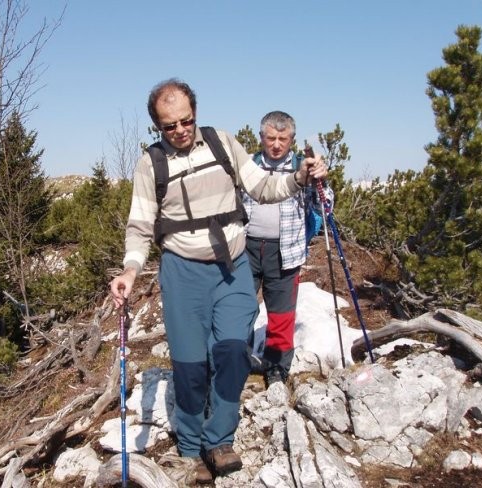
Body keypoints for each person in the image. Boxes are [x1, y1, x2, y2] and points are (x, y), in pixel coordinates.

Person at [109, 80, 327, 483]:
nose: (180, 130)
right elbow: (139, 225)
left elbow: (263, 186)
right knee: (190, 364)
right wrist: (130, 270)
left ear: (196, 112)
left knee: (230, 351)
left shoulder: (222, 143)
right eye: (169, 125)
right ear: (157, 125)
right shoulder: (151, 163)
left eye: (186, 120)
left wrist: (297, 177)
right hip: (182, 272)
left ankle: (219, 440)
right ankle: (190, 449)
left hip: (232, 267)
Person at [243, 110, 332, 387]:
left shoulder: (302, 167)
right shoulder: (248, 166)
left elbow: (325, 207)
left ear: (292, 139)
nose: (276, 144)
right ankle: (239, 360)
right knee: (240, 309)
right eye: (270, 138)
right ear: (261, 138)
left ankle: (276, 367)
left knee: (281, 314)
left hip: (286, 250)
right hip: (245, 249)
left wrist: (321, 181)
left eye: (283, 138)